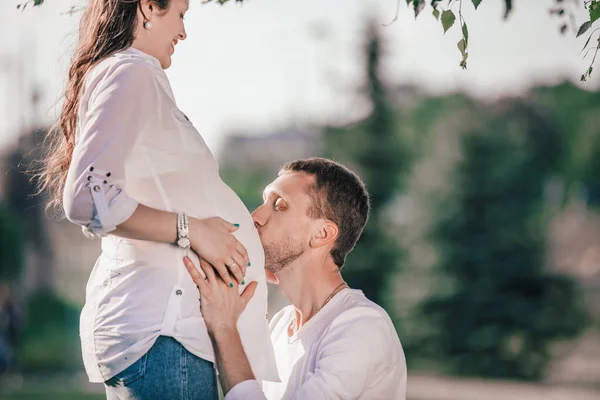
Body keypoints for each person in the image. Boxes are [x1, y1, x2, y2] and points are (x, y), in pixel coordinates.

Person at [37, 0, 278, 398]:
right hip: (165, 338)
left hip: (167, 338)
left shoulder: (131, 75)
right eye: (180, 14)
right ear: (149, 7)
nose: (183, 32)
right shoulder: (132, 71)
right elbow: (85, 197)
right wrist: (193, 230)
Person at [184, 158, 407, 400]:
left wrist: (225, 329)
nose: (255, 217)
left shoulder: (361, 326)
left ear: (322, 234)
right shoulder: (281, 325)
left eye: (279, 205)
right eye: (263, 202)